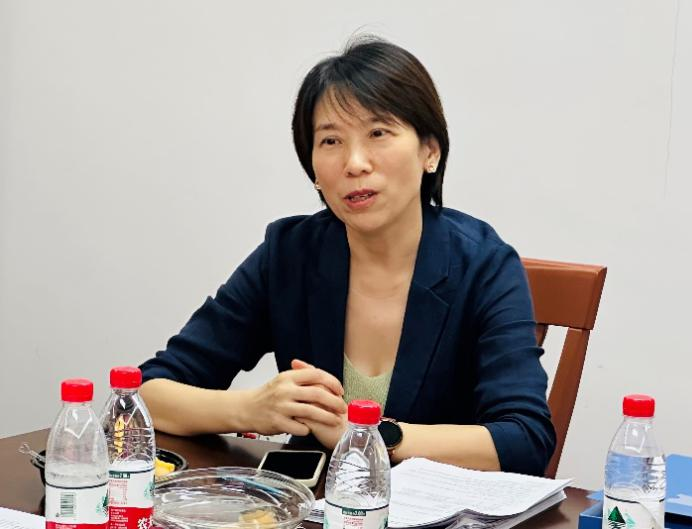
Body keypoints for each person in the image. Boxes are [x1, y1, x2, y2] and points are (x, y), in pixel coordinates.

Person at [139, 36, 556, 476]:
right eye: (331, 141)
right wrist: (252, 409)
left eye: (378, 133)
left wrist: (371, 434)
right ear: (314, 170)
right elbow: (145, 393)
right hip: (313, 503)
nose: (355, 163)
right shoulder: (290, 254)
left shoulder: (484, 266)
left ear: (429, 151)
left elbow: (525, 440)